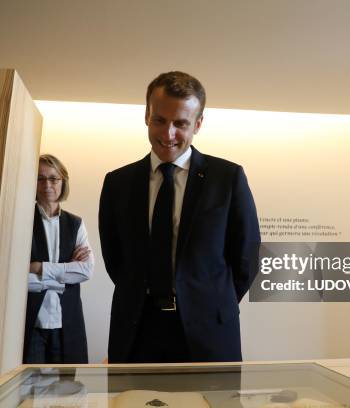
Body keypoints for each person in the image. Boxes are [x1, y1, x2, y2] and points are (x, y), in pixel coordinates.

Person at [99, 71, 260, 363]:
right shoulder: (117, 183)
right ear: (146, 116)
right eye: (159, 120)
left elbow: (246, 258)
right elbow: (116, 259)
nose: (168, 134)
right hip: (137, 329)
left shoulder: (227, 178)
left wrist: (209, 301)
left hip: (208, 329)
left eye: (181, 123)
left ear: (198, 124)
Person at [23, 154, 93, 363]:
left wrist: (37, 267)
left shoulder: (75, 224)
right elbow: (15, 279)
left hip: (67, 321)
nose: (47, 185)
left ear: (63, 182)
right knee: (28, 391)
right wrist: (64, 278)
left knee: (67, 390)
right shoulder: (21, 219)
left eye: (53, 178)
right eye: (40, 178)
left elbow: (85, 271)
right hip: (30, 323)